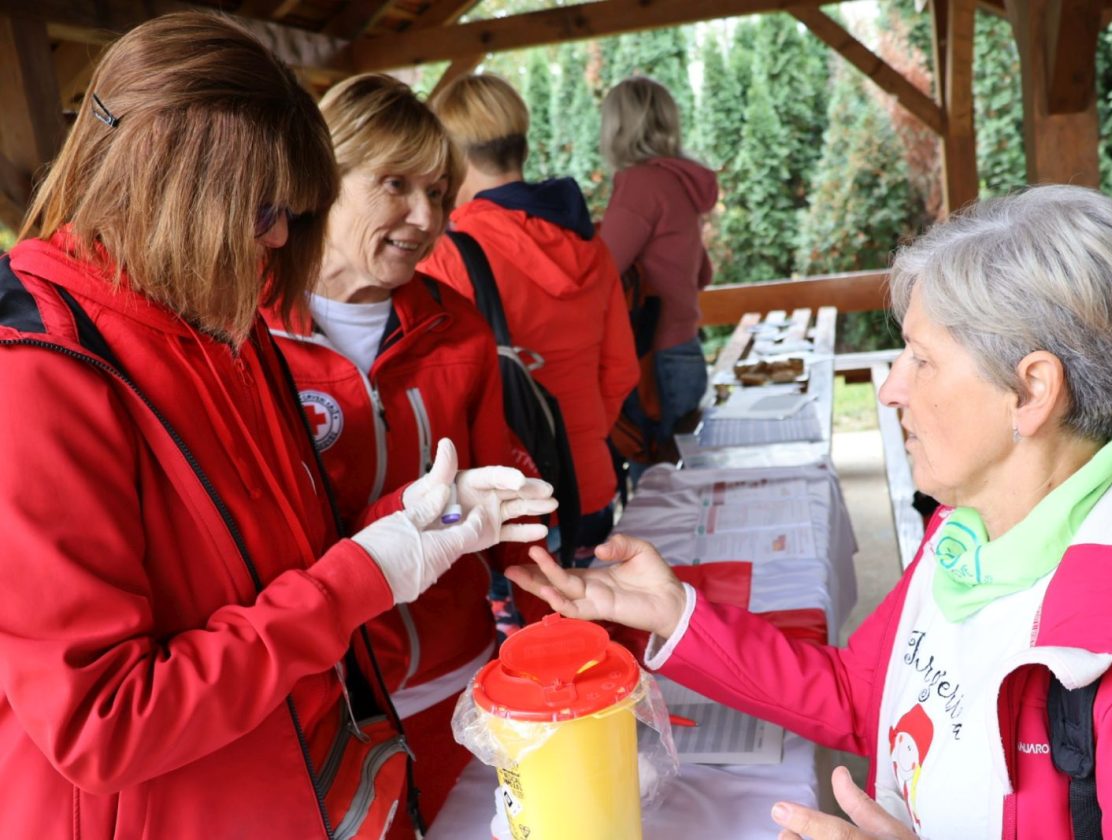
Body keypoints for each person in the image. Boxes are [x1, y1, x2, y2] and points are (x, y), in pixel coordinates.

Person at [508, 185, 1112, 839]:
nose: (893, 387)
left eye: (921, 358)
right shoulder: (970, 535)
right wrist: (675, 614)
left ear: (1031, 392)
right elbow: (868, 697)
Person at [0, 15, 551, 839]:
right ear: (169, 184)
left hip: (320, 787)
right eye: (262, 208)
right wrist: (364, 572)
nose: (278, 237)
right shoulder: (39, 372)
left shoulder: (222, 319)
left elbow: (286, 571)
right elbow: (105, 723)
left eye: (290, 210)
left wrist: (402, 525)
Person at [265, 73, 555, 829]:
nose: (426, 218)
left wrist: (552, 646)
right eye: (394, 184)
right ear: (323, 180)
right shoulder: (243, 333)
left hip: (457, 684)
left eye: (440, 192)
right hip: (322, 704)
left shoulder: (454, 326)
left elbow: (510, 513)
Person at [420, 72, 639, 555]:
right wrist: (582, 435)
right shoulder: (589, 243)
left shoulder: (449, 254)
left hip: (513, 499)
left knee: (537, 633)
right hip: (592, 483)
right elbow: (622, 369)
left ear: (451, 156)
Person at [599, 76, 718, 466]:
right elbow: (703, 274)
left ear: (618, 127)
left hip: (656, 359)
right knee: (680, 484)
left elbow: (599, 269)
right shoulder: (678, 182)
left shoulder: (639, 184)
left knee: (656, 495)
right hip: (686, 350)